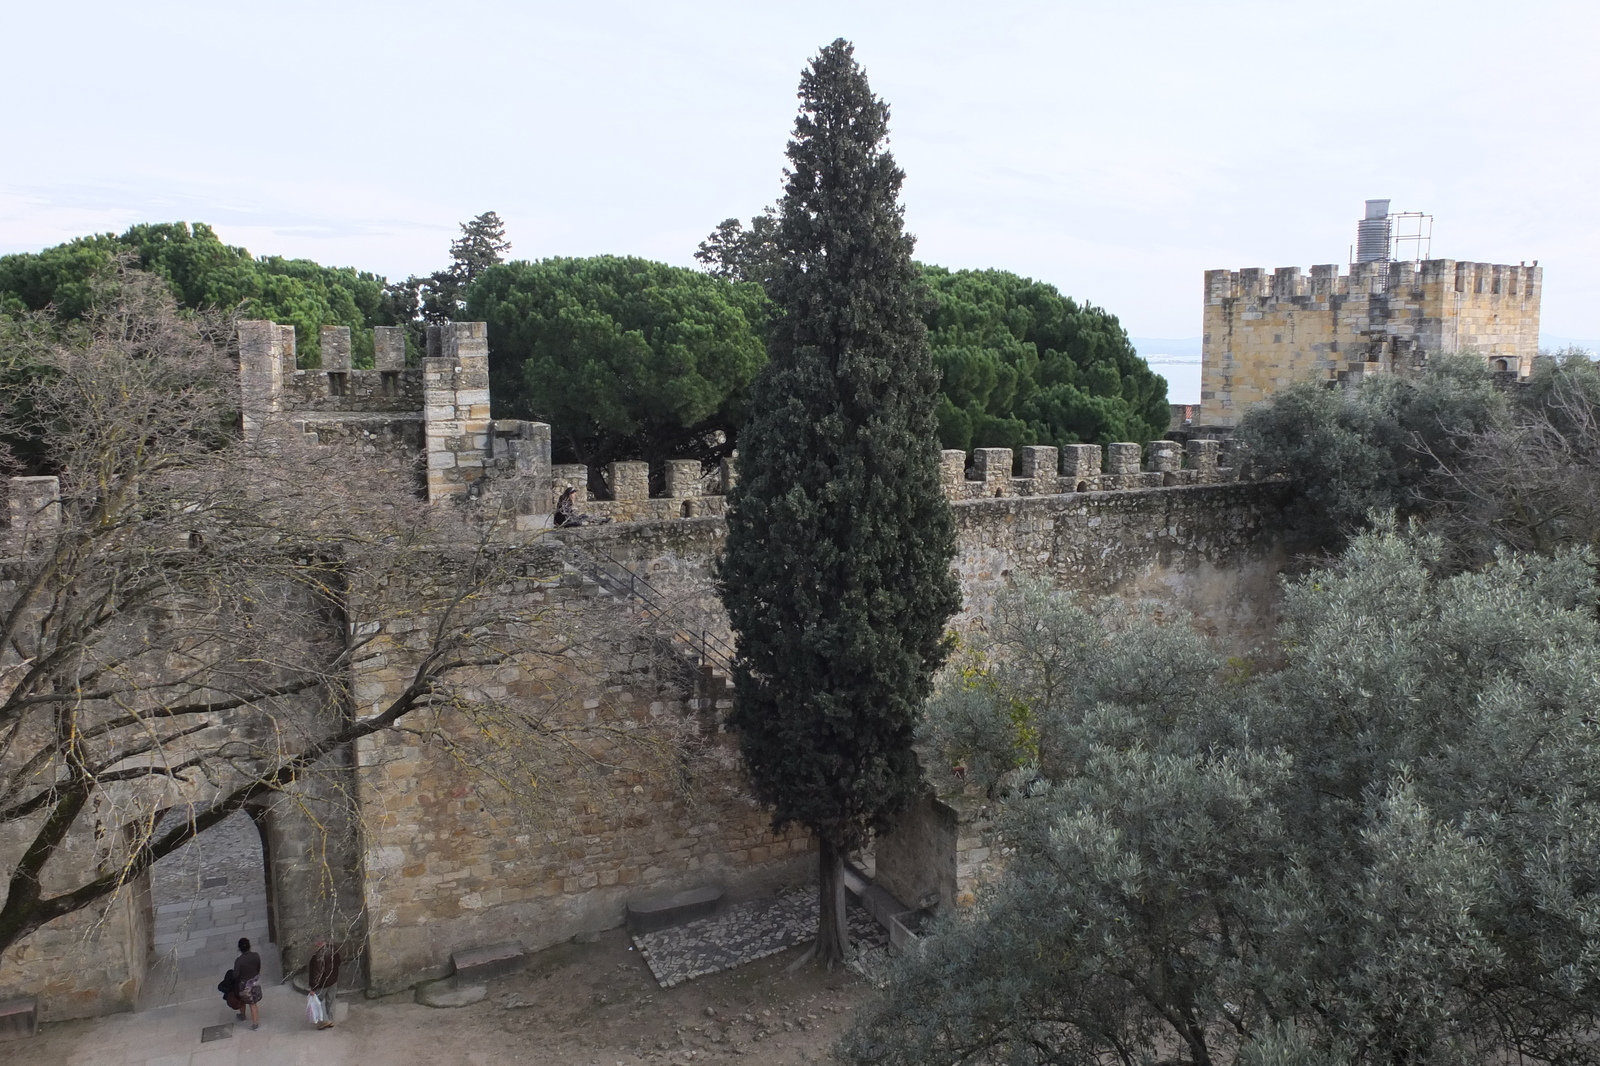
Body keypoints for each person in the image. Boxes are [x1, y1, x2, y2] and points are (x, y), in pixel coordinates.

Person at [308, 939, 341, 1030]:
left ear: (319, 942)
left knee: (318, 1001)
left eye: (315, 942)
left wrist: (313, 988)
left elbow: (317, 973)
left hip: (322, 984)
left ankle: (326, 1020)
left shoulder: (318, 956)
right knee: (330, 1000)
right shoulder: (334, 949)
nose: (314, 944)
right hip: (333, 980)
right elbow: (339, 962)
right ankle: (330, 1019)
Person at [233, 937, 263, 1030]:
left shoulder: (239, 961)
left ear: (239, 949)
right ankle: (255, 1023)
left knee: (243, 1000)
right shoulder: (256, 956)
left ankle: (243, 1016)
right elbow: (258, 968)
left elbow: (235, 975)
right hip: (255, 983)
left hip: (244, 986)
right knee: (253, 1003)